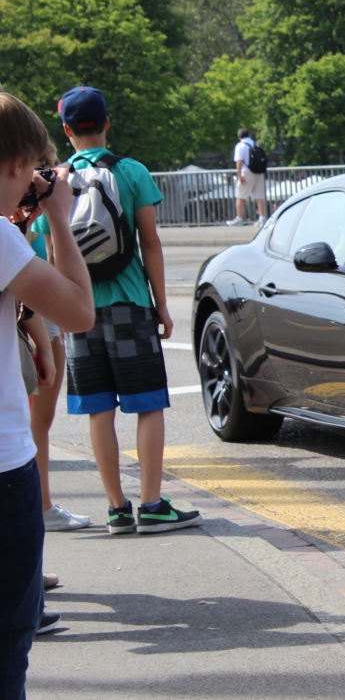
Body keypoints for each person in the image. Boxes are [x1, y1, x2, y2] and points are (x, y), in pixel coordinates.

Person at [33, 86, 202, 537]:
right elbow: (150, 242)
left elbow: (52, 248)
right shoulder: (131, 172)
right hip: (130, 303)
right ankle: (151, 504)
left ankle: (115, 509)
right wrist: (161, 303)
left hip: (79, 310)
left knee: (99, 410)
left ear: (66, 130)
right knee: (147, 405)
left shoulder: (56, 179)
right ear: (107, 123)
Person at [0, 91, 95, 700]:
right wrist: (58, 217)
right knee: (7, 653)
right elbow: (80, 312)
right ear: (13, 164)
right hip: (3, 472)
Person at [26, 140, 92, 532]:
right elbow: (79, 309)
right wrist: (56, 213)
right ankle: (41, 508)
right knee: (37, 422)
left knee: (37, 422)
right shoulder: (16, 221)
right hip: (40, 311)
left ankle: (42, 507)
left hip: (39, 310)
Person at [226, 128, 267, 227]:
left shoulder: (240, 146)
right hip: (259, 172)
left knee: (241, 196)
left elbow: (239, 161)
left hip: (247, 172)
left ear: (239, 137)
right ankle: (262, 218)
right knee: (259, 196)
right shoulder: (256, 144)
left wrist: (239, 175)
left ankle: (239, 219)